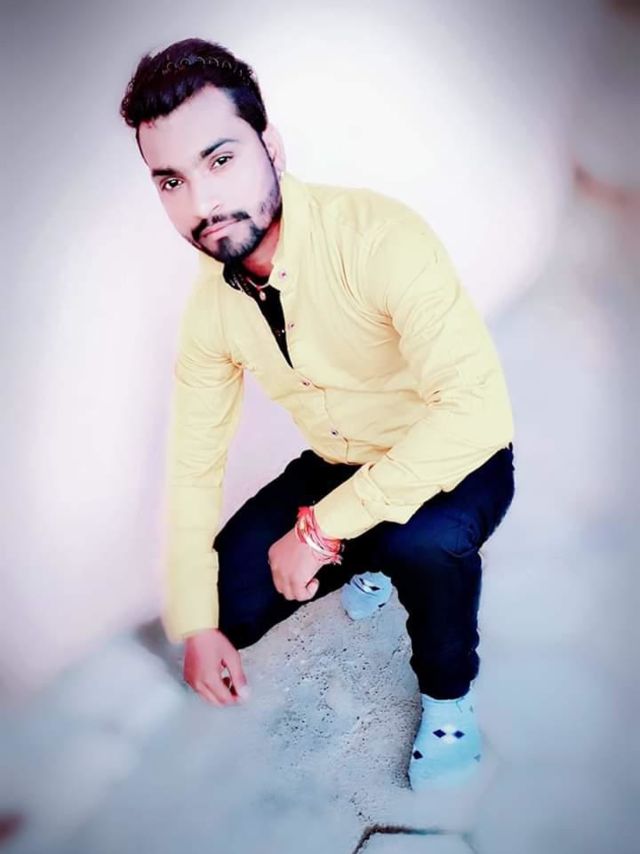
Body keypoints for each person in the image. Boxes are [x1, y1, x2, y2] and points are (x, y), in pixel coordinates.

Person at [119, 37, 516, 791]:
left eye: (219, 160)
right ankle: (369, 553)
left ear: (270, 145)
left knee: (424, 543)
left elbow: (476, 413)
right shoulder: (210, 310)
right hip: (341, 462)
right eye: (171, 180)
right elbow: (194, 464)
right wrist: (195, 624)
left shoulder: (378, 236)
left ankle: (449, 699)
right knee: (227, 607)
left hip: (456, 460)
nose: (200, 204)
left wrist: (320, 530)